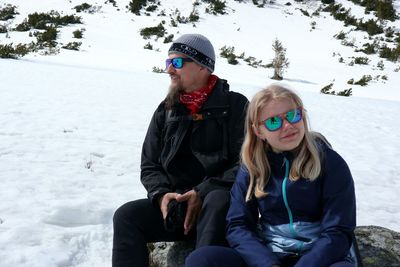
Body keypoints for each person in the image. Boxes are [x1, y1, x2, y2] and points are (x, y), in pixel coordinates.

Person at [112, 33, 249, 267]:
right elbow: (150, 164)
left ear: (203, 66)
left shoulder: (235, 106)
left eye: (177, 63)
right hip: (176, 208)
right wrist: (162, 195)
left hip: (217, 208)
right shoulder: (166, 110)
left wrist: (201, 192)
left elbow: (247, 163)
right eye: (168, 63)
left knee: (217, 200)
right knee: (126, 216)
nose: (169, 70)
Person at [185, 84, 358, 267]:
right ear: (259, 131)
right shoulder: (252, 166)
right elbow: (238, 225)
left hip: (320, 258)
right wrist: (267, 263)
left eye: (293, 115)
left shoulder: (330, 163)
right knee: (202, 260)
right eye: (274, 122)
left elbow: (338, 231)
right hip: (271, 254)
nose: (288, 126)